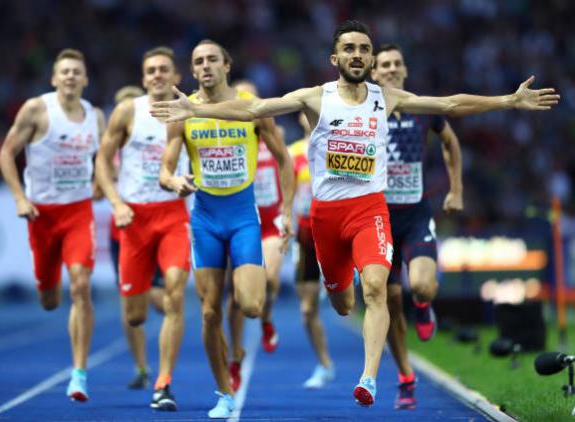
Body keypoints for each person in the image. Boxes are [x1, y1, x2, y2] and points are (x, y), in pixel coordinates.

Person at [151, 20, 559, 407]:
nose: (358, 54)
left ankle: (368, 377)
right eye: (349, 49)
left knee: (377, 287)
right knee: (343, 302)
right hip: (327, 216)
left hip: (369, 209)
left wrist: (509, 100)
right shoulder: (315, 96)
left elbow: (450, 103)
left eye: (364, 48)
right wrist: (195, 112)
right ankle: (341, 295)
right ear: (336, 59)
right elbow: (252, 110)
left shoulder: (389, 98)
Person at [158, 39, 294, 418]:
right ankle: (224, 392)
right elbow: (165, 168)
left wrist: (286, 212)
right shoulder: (183, 113)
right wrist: (173, 182)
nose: (204, 66)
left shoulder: (252, 107)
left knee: (250, 304)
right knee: (208, 312)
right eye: (198, 61)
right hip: (205, 219)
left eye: (212, 59)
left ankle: (242, 344)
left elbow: (283, 159)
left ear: (226, 65)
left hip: (242, 216)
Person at [0, 48, 105, 402]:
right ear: (54, 79)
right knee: (49, 299)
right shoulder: (37, 109)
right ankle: (49, 286)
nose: (71, 76)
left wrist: (102, 184)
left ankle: (78, 373)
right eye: (65, 72)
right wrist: (19, 198)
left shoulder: (95, 116)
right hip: (41, 215)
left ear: (85, 79)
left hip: (78, 213)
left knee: (81, 286)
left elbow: (105, 160)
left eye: (77, 71)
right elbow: (5, 153)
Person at [95, 47, 191, 411]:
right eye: (150, 70)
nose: (157, 75)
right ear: (143, 77)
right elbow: (102, 162)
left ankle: (163, 383)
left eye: (164, 69)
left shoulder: (187, 112)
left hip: (172, 217)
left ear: (176, 76)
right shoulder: (127, 111)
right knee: (135, 314)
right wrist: (117, 203)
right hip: (133, 219)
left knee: (175, 296)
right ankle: (150, 368)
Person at [370, 43, 463, 409]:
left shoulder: (422, 108)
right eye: (385, 65)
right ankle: (406, 376)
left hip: (416, 214)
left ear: (404, 71)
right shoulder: (365, 111)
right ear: (374, 73)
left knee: (421, 286)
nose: (391, 69)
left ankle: (424, 305)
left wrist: (456, 189)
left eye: (397, 64)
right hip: (377, 218)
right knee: (390, 300)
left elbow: (450, 142)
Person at [226, 80, 286, 393]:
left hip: (271, 223)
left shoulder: (274, 133)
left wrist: (288, 212)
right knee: (236, 296)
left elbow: (288, 167)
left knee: (271, 278)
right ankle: (235, 356)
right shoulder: (224, 136)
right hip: (238, 221)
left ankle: (266, 318)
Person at [109, 85, 166, 390]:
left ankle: (173, 331)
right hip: (122, 233)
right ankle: (142, 367)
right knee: (129, 305)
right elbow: (96, 184)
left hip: (156, 224)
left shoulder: (153, 139)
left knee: (159, 300)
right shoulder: (110, 153)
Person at [289, 111, 335, 389]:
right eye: (309, 114)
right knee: (307, 310)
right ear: (301, 118)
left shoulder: (337, 145)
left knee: (347, 303)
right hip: (305, 235)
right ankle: (324, 364)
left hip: (334, 233)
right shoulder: (292, 152)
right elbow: (287, 192)